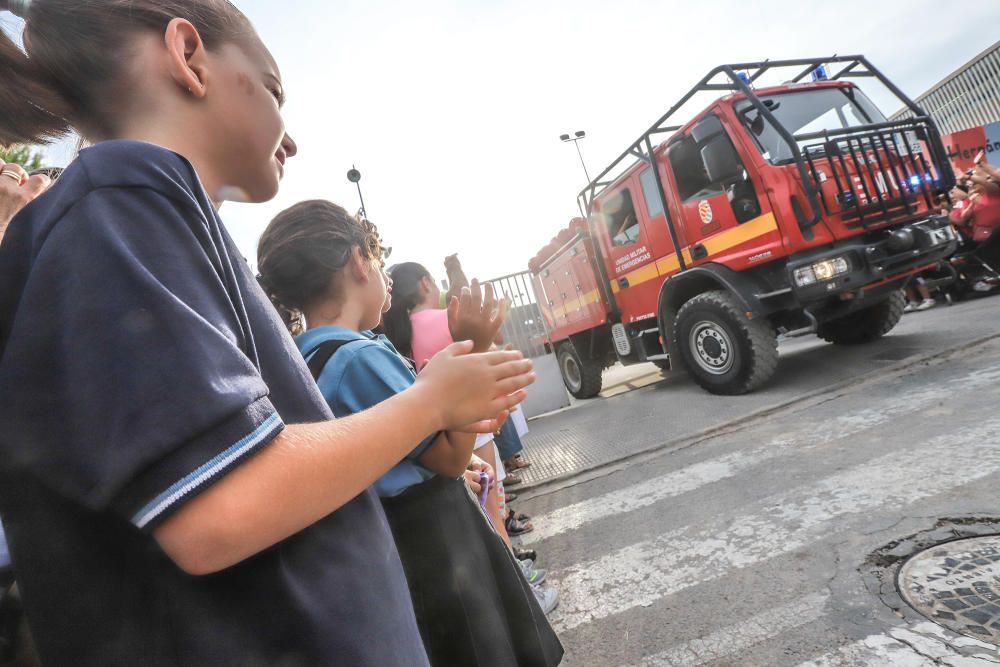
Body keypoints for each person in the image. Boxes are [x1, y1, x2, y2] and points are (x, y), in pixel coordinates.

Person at [0, 2, 535, 665]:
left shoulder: (136, 211)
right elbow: (220, 509)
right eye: (274, 88)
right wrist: (428, 402)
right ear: (189, 55)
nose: (291, 136)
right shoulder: (122, 208)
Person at [256, 200, 563, 666]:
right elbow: (447, 458)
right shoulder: (359, 358)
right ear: (359, 261)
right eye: (379, 262)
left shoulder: (304, 357)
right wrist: (475, 346)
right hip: (433, 539)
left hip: (390, 540)